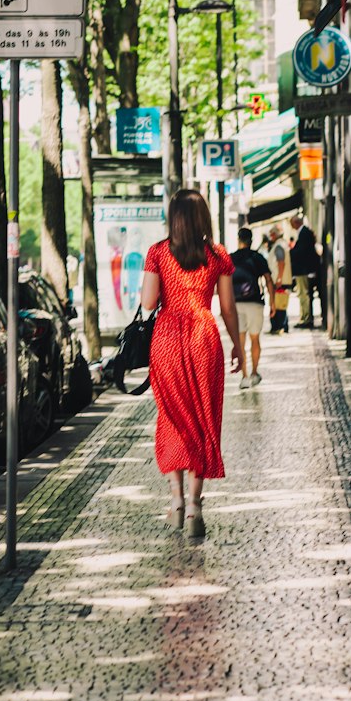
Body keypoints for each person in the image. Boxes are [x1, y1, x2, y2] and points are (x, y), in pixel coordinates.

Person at [141, 189, 241, 539]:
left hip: (167, 338)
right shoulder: (218, 256)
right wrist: (239, 348)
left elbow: (149, 303)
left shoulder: (157, 253)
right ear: (203, 218)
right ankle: (197, 506)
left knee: (172, 417)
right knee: (203, 418)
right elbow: (228, 308)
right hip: (204, 336)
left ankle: (176, 501)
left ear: (175, 218)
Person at [230, 226, 275, 389]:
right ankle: (255, 372)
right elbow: (268, 279)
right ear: (251, 241)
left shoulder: (231, 258)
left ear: (238, 240)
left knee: (240, 340)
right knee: (255, 338)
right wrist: (272, 302)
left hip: (236, 303)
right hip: (255, 302)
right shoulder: (257, 257)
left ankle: (244, 377)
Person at [289, 210, 319, 328]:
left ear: (296, 222)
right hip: (303, 269)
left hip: (303, 269)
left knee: (304, 294)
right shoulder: (303, 233)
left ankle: (306, 318)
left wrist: (290, 253)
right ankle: (304, 317)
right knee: (303, 294)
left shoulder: (304, 233)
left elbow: (302, 251)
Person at [264, 224, 291, 333]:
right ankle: (282, 326)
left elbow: (281, 262)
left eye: (271, 234)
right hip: (282, 278)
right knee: (281, 303)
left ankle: (279, 327)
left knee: (278, 304)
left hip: (279, 279)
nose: (270, 236)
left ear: (275, 234)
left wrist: (279, 278)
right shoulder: (283, 244)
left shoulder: (279, 246)